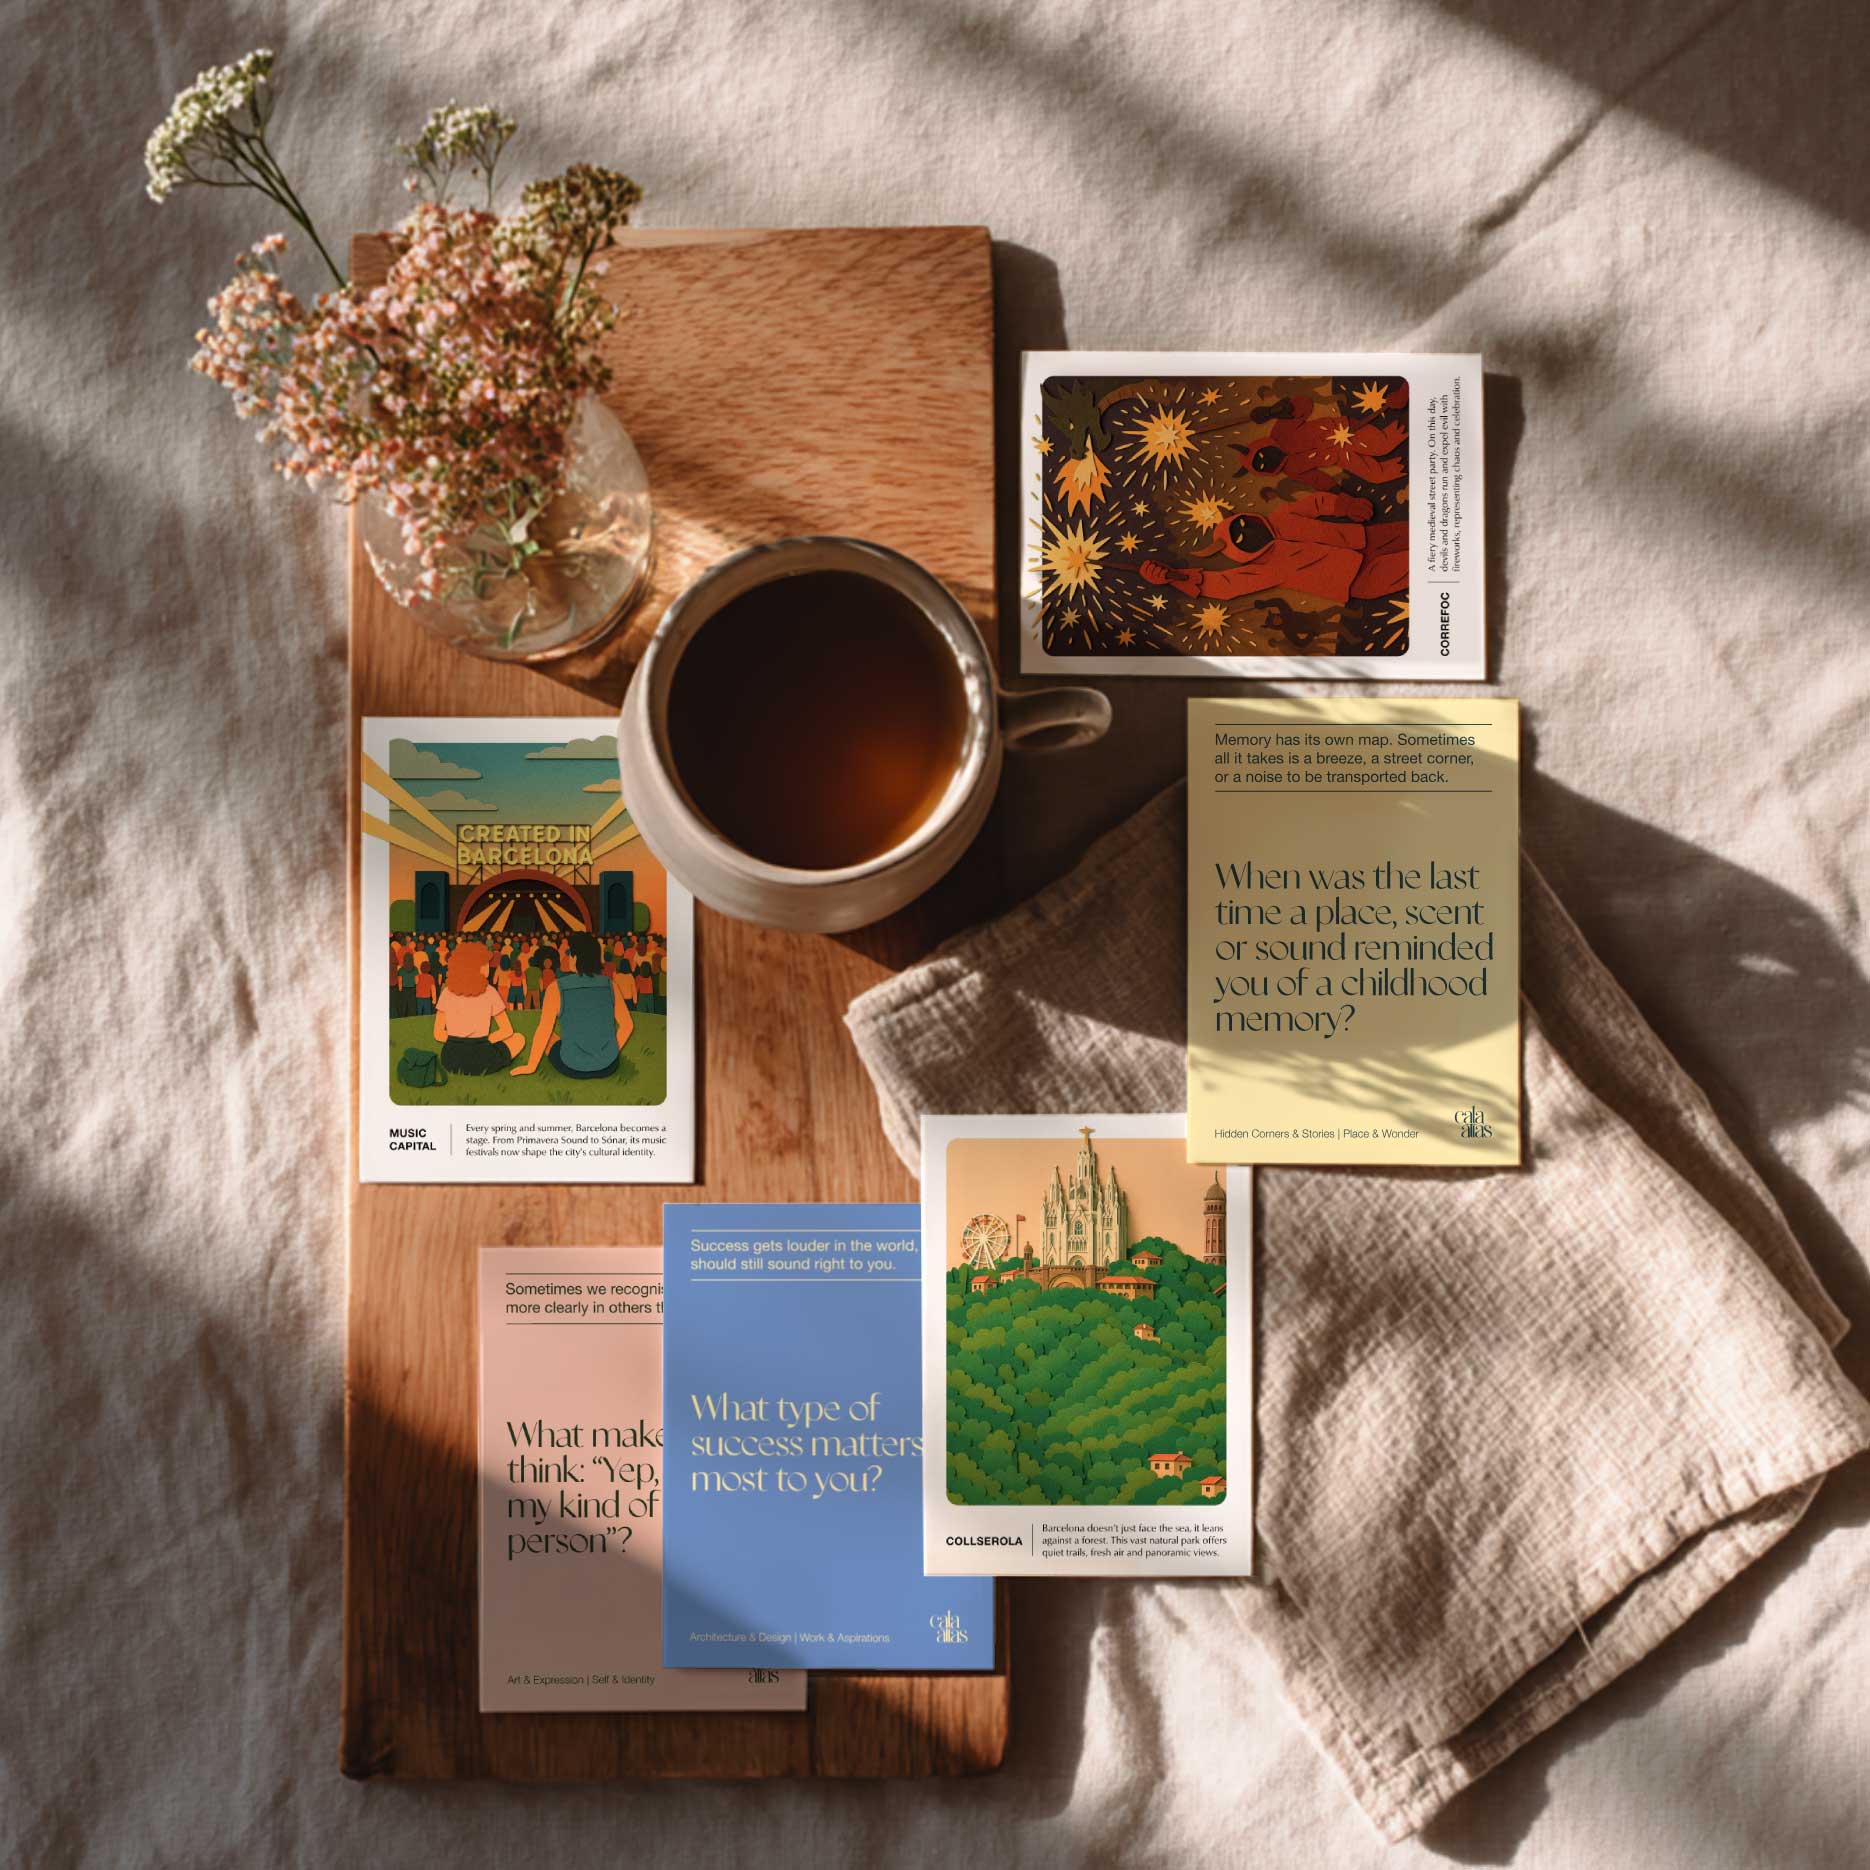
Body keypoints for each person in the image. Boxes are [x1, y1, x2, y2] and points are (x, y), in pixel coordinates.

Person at [1139, 493, 1406, 606]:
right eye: (1239, 537)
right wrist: (1175, 578)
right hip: (1357, 579)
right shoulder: (1265, 570)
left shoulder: (1281, 517)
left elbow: (1315, 504)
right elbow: (1225, 585)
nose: (1247, 531)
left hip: (1367, 537)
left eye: (1242, 524)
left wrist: (1344, 506)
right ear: (1235, 551)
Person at [512, 930, 633, 1080]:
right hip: (609, 1066)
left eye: (570, 954)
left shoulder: (556, 987)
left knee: (550, 1037)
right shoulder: (610, 985)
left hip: (573, 1066)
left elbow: (544, 1029)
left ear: (575, 958)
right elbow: (627, 1026)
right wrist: (610, 1053)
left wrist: (531, 1066)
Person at [432, 938, 524, 1074]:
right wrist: (482, 1041)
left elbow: (438, 1034)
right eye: (484, 964)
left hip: (451, 1058)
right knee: (519, 1038)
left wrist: (459, 1041)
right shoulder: (490, 991)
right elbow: (507, 1030)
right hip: (483, 1058)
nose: (488, 967)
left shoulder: (447, 992)